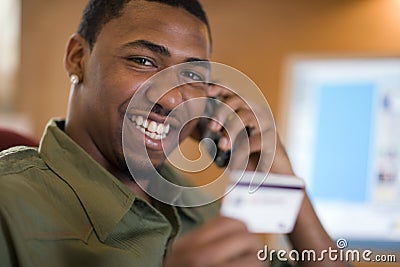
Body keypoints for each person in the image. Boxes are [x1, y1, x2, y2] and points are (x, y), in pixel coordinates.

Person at [0, 0, 346, 266]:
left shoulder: (201, 206)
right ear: (77, 58)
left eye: (192, 77)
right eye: (143, 61)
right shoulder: (9, 205)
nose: (170, 98)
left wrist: (285, 184)